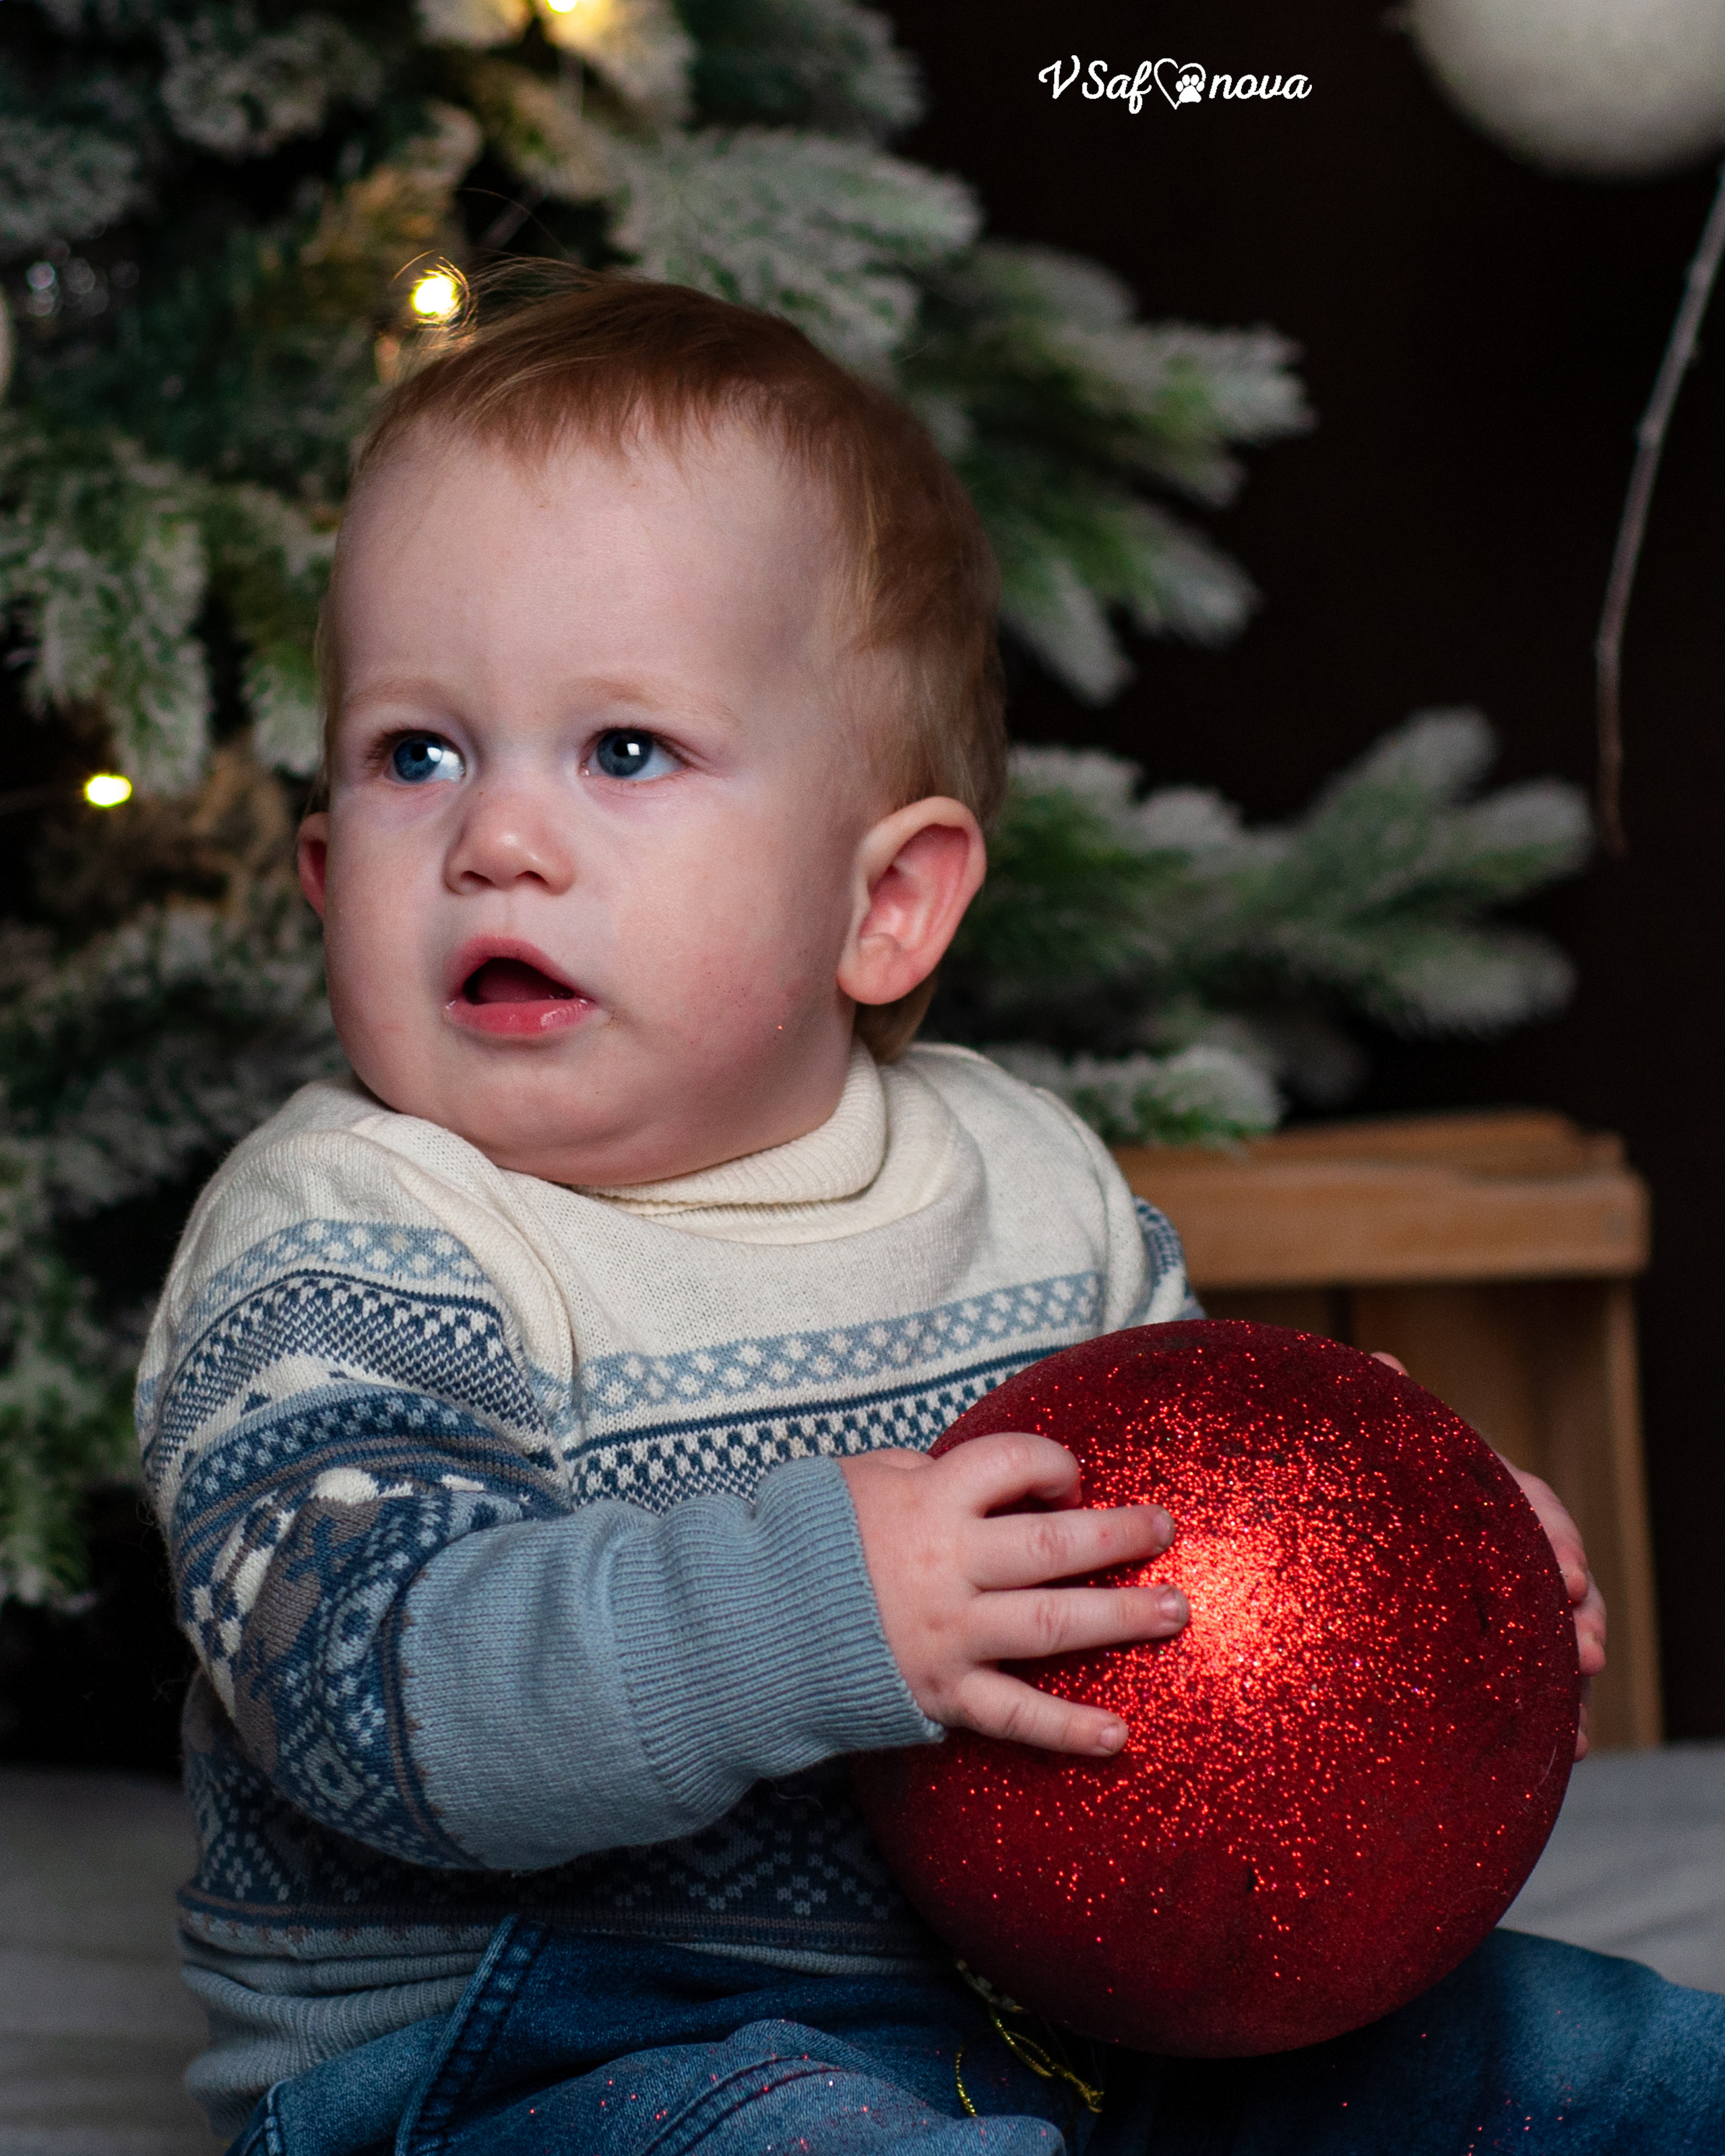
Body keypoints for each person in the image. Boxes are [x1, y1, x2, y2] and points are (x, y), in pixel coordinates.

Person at [136, 276, 1706, 2156]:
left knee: (1579, 2059)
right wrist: (819, 1607)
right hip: (527, 2043)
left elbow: (1195, 1551)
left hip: (1045, 1988)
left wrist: (1432, 1569)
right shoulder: (349, 1237)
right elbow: (369, 1693)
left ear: (884, 904)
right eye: (416, 754)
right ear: (322, 878)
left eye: (624, 751)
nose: (496, 840)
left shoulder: (1026, 1185)